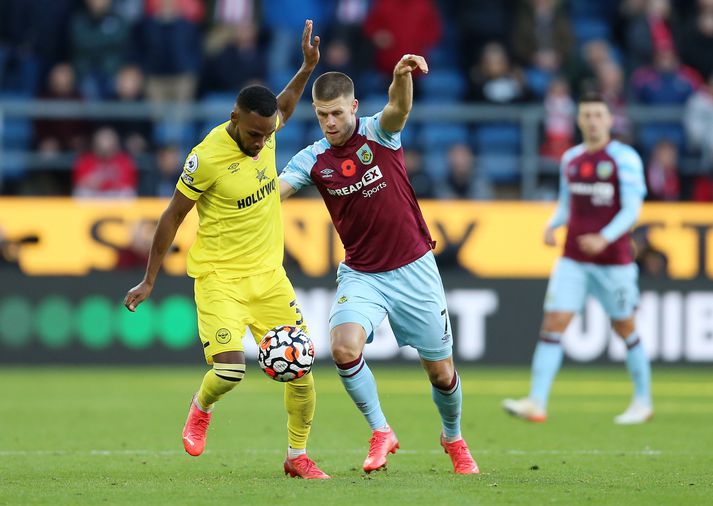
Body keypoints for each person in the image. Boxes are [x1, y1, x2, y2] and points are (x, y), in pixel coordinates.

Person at [123, 20, 330, 479]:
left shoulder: (268, 125)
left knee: (302, 369)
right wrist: (150, 278)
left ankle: (297, 456)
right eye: (256, 134)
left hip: (269, 276)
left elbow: (287, 105)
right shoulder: (206, 157)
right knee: (231, 373)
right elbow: (172, 216)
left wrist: (305, 68)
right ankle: (200, 408)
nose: (262, 143)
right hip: (219, 277)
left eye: (267, 134)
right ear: (235, 119)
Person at [278, 56, 479, 475]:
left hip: (414, 269)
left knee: (441, 373)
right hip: (362, 273)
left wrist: (400, 78)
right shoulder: (312, 159)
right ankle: (381, 430)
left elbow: (399, 108)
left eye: (336, 113)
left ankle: (453, 438)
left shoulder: (378, 134)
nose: (329, 122)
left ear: (353, 107)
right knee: (343, 347)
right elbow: (275, 191)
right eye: (321, 115)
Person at [502, 93, 653, 425]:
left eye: (599, 114)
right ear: (579, 120)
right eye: (587, 115)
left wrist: (605, 237)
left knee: (625, 326)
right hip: (572, 258)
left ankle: (643, 401)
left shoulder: (624, 158)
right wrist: (552, 224)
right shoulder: (571, 159)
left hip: (614, 261)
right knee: (553, 324)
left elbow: (632, 210)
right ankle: (536, 402)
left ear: (610, 120)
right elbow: (567, 205)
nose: (593, 120)